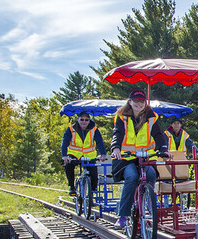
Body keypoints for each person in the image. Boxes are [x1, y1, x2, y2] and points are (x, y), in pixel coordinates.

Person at [110, 90, 169, 229]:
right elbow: (117, 133)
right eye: (136, 101)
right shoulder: (122, 116)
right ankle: (123, 216)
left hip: (144, 156)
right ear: (130, 102)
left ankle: (148, 201)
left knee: (151, 174)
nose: (139, 104)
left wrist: (164, 149)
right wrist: (116, 148)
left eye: (142, 101)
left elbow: (158, 134)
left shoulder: (151, 117)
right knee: (131, 177)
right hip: (127, 157)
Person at [60, 111, 106, 196]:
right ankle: (72, 187)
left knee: (94, 173)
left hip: (89, 155)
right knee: (68, 165)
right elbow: (64, 142)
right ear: (78, 120)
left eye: (86, 120)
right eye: (82, 119)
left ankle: (92, 192)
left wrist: (103, 154)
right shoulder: (71, 129)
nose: (84, 122)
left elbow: (100, 142)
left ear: (89, 121)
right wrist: (64, 156)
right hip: (74, 154)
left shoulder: (94, 129)